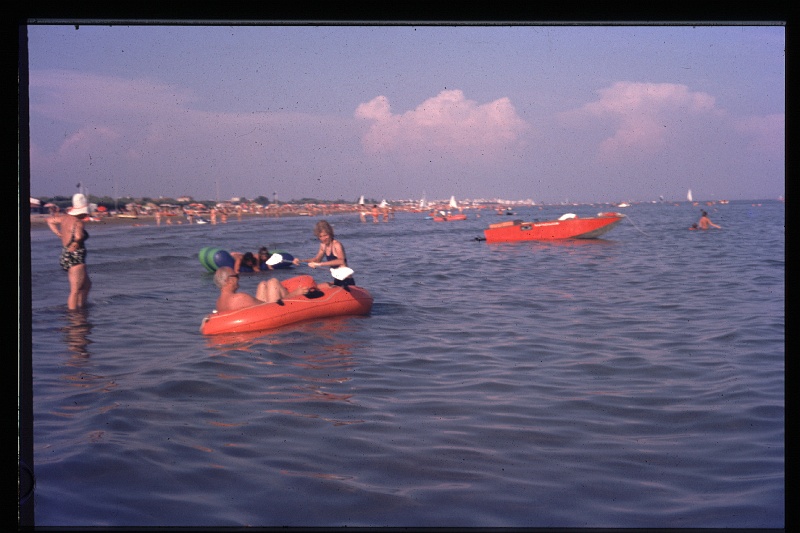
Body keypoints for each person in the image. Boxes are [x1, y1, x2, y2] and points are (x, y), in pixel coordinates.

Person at [47, 193, 92, 310]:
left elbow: (49, 220)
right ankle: (73, 315)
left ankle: (81, 306)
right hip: (76, 257)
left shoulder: (64, 218)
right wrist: (77, 241)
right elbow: (78, 235)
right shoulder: (78, 222)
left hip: (67, 255)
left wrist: (59, 234)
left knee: (87, 285)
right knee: (75, 290)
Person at [213, 266, 310, 312]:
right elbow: (272, 306)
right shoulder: (240, 298)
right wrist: (295, 294)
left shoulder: (218, 303)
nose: (239, 278)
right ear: (228, 280)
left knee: (263, 285)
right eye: (236, 276)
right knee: (273, 282)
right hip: (273, 313)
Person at [293, 220, 355, 287]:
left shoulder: (337, 245)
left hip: (346, 281)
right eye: (320, 236)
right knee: (314, 288)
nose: (323, 238)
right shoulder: (323, 245)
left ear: (330, 233)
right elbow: (317, 260)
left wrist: (320, 264)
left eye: (325, 235)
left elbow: (341, 261)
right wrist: (300, 261)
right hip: (337, 280)